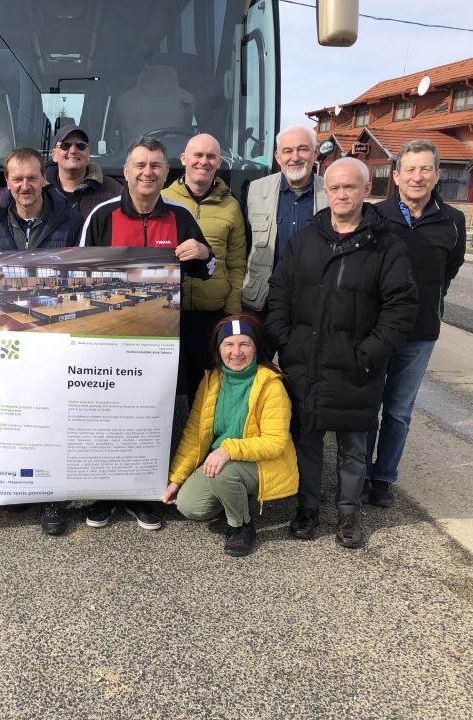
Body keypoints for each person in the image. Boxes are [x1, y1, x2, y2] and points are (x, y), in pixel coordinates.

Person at [265, 157, 418, 549]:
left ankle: (349, 512)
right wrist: (286, 341)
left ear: (367, 189)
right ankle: (308, 507)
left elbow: (400, 308)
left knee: (353, 446)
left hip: (356, 365)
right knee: (307, 439)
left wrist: (369, 354)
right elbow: (279, 292)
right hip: (305, 360)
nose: (342, 194)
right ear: (326, 191)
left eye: (350, 186)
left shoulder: (387, 245)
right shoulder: (305, 241)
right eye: (334, 187)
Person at [80, 136, 214, 532]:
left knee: (152, 415)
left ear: (166, 173)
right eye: (140, 165)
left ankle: (143, 493)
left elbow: (207, 268)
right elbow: (79, 272)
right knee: (107, 416)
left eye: (155, 165)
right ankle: (105, 493)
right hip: (108, 339)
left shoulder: (180, 217)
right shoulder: (102, 215)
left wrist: (203, 253)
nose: (147, 172)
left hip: (158, 340)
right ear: (126, 172)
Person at [0, 147, 83, 535]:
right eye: (17, 179)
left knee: (53, 414)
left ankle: (52, 498)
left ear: (44, 178)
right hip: (9, 337)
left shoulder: (71, 219)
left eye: (32, 178)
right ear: (7, 182)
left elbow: (82, 279)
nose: (25, 186)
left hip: (54, 336)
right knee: (16, 414)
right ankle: (20, 486)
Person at [365, 139, 465, 507]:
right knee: (367, 406)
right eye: (410, 169)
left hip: (420, 334)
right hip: (375, 329)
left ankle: (383, 478)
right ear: (396, 176)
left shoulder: (453, 221)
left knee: (398, 411)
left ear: (437, 174)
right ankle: (360, 475)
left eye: (425, 169)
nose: (417, 176)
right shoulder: (375, 216)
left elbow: (448, 271)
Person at [165, 315, 298, 556]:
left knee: (223, 473)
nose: (236, 352)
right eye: (228, 344)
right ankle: (232, 494)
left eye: (244, 344)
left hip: (262, 463)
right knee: (189, 506)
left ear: (255, 348)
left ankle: (241, 526)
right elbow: (194, 434)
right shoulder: (211, 381)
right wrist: (176, 478)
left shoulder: (271, 384)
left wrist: (227, 450)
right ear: (219, 349)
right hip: (225, 461)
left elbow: (275, 442)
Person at [162, 133, 247, 403]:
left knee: (206, 394)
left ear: (219, 162)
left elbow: (237, 263)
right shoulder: (162, 200)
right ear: (184, 159)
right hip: (167, 313)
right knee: (162, 389)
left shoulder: (231, 206)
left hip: (211, 315)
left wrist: (231, 313)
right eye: (197, 155)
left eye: (211, 156)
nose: (204, 161)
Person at [242, 126, 327, 318]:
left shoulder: (331, 192)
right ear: (278, 157)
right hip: (261, 301)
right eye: (287, 151)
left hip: (312, 304)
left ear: (315, 153)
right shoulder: (255, 191)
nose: (295, 157)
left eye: (303, 149)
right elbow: (241, 247)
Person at [45, 125, 121, 220]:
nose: (73, 151)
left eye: (80, 146)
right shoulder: (39, 189)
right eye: (65, 145)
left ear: (88, 154)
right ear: (54, 155)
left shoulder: (114, 192)